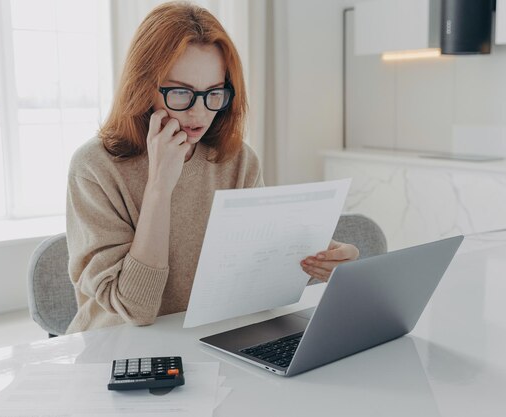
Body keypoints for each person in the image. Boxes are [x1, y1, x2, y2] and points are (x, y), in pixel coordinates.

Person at [65, 1, 359, 334]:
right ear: (144, 88)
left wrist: (318, 262)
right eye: (181, 93)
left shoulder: (237, 160)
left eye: (214, 93)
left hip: (207, 340)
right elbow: (136, 308)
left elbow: (256, 271)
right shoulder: (94, 167)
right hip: (119, 353)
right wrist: (160, 185)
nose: (199, 113)